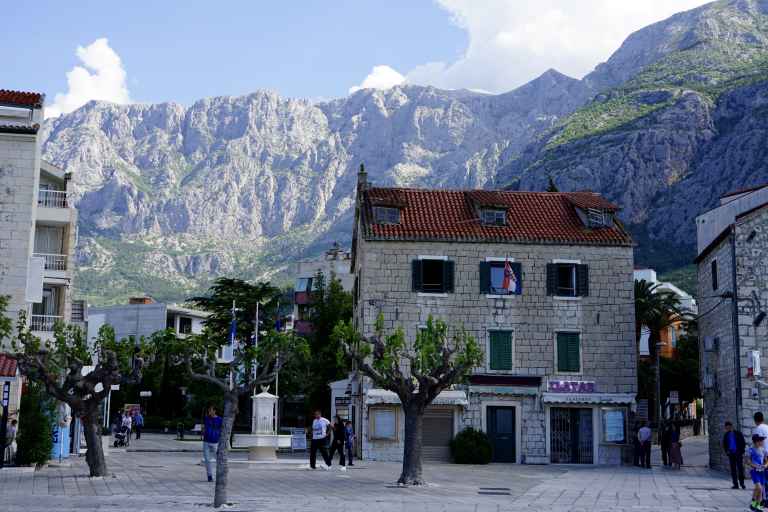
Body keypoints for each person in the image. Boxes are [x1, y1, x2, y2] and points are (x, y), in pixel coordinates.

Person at [723, 421, 746, 489]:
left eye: (728, 427)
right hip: (731, 454)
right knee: (733, 470)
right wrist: (727, 451)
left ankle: (742, 483)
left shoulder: (738, 433)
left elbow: (743, 442)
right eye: (726, 428)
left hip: (738, 453)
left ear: (731, 426)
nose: (727, 429)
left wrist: (741, 451)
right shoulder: (726, 435)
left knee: (740, 469)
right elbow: (724, 444)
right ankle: (735, 484)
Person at [203, 406, 223, 482]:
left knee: (218, 459)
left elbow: (222, 430)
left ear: (215, 411)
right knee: (207, 460)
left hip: (215, 442)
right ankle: (209, 476)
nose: (209, 412)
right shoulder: (206, 418)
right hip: (206, 442)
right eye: (209, 410)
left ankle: (220, 475)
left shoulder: (220, 420)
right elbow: (205, 427)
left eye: (210, 410)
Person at [747, 434, 767, 512]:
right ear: (756, 442)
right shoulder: (751, 450)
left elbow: (766, 460)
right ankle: (753, 503)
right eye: (760, 440)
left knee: (761, 490)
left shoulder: (763, 450)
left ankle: (757, 506)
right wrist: (755, 466)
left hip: (762, 472)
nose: (762, 442)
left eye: (762, 440)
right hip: (754, 471)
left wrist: (765, 465)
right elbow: (748, 461)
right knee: (758, 487)